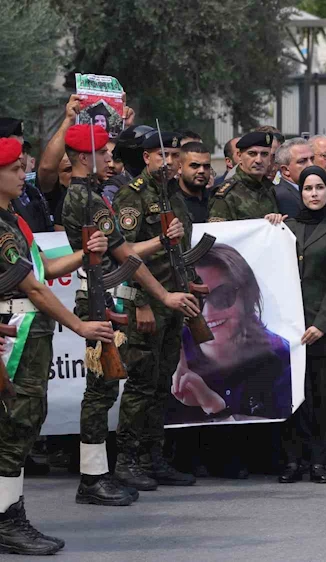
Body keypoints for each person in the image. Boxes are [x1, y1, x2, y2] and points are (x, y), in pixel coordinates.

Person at [59, 124, 200, 505]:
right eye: (103, 152)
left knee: (116, 387)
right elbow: (125, 253)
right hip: (104, 300)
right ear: (84, 156)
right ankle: (95, 476)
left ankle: (111, 469)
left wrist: (171, 293)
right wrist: (153, 296)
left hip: (112, 298)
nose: (111, 157)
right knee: (101, 390)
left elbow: (124, 252)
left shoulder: (92, 196)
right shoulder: (85, 199)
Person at [0, 137, 115, 555]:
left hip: (31, 334)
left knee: (24, 421)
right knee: (16, 425)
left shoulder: (13, 219)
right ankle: (8, 520)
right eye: (14, 168)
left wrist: (86, 254)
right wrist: (80, 326)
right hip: (17, 333)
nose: (22, 175)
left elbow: (45, 267)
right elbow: (33, 287)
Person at [112, 129, 199, 489]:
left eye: (174, 155)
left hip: (174, 300)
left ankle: (153, 456)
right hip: (146, 303)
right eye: (161, 155)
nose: (169, 161)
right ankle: (128, 460)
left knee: (163, 382)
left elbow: (180, 249)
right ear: (146, 158)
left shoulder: (173, 197)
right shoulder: (131, 198)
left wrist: (190, 281)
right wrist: (143, 301)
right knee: (142, 384)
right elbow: (125, 255)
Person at [279, 166, 326, 484]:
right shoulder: (287, 226)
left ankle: (319, 461)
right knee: (295, 399)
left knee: (324, 398)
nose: (313, 194)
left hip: (325, 329)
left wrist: (322, 324)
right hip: (292, 330)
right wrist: (271, 224)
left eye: (319, 188)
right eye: (308, 188)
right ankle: (292, 460)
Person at [170, 245, 292, 422]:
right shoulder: (169, 353)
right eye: (194, 299)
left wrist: (216, 408)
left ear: (247, 297)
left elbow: (283, 428)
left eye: (223, 296)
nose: (207, 313)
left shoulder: (280, 355)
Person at [208, 132, 279, 222]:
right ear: (239, 156)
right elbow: (217, 232)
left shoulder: (270, 189)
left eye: (264, 154)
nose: (259, 160)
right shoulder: (228, 194)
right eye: (252, 154)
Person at [274, 138, 314, 218]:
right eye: (302, 161)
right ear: (285, 170)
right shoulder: (282, 197)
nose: (311, 165)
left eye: (312, 159)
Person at [176, 142, 212, 223]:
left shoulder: (216, 198)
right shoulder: (170, 201)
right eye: (194, 166)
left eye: (206, 166)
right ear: (179, 168)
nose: (202, 171)